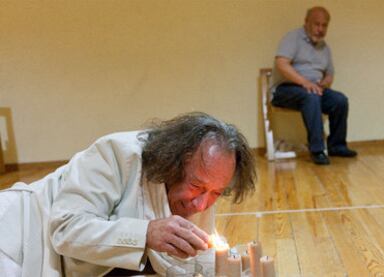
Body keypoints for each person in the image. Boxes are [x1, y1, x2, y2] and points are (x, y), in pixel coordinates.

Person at [0, 112, 256, 276]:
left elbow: (188, 263)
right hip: (16, 234)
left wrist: (238, 265)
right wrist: (146, 233)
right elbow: (65, 230)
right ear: (174, 163)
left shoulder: (202, 187)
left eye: (216, 193)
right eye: (197, 187)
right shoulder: (115, 154)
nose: (202, 204)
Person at [270, 6, 357, 165]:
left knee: (340, 100)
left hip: (314, 90)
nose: (320, 29)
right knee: (311, 96)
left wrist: (325, 82)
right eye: (317, 24)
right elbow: (281, 64)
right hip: (287, 89)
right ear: (306, 23)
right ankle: (317, 150)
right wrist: (305, 83)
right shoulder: (293, 38)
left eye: (324, 25)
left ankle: (337, 146)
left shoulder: (325, 47)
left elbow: (329, 73)